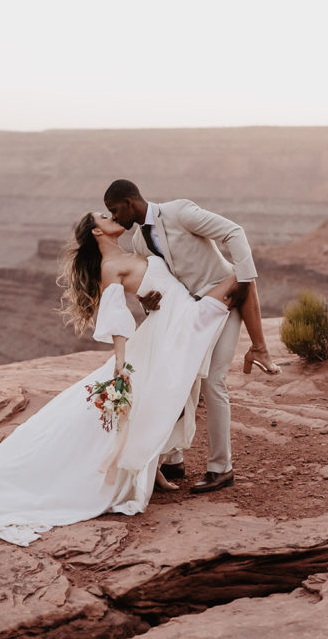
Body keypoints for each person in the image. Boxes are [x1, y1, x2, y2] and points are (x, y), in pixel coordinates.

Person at [0, 211, 246, 546]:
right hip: (167, 334)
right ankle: (141, 469)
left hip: (173, 325)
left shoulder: (136, 250)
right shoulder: (110, 267)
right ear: (97, 232)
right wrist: (121, 361)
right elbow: (116, 315)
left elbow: (159, 287)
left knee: (164, 402)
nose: (112, 215)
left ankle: (151, 467)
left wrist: (148, 300)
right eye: (104, 215)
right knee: (239, 279)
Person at [103, 179, 280, 494]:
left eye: (115, 211)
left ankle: (220, 468)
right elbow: (158, 281)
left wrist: (244, 279)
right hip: (190, 314)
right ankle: (174, 460)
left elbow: (234, 232)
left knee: (214, 382)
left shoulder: (179, 211)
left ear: (130, 203)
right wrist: (145, 302)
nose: (115, 219)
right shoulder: (140, 244)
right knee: (178, 380)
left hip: (225, 303)